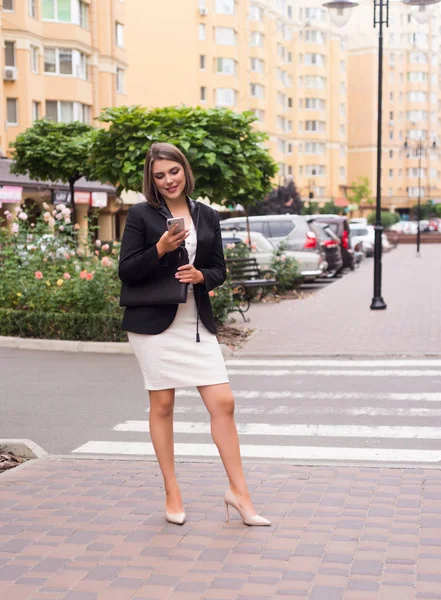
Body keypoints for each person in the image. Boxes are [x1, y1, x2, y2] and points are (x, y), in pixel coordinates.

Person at [118, 142, 270, 527]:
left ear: (184, 170)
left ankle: (239, 493)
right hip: (154, 326)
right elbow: (127, 271)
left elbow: (218, 267)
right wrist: (160, 248)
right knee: (163, 406)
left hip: (195, 323)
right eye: (159, 176)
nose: (168, 180)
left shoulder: (207, 215)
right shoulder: (140, 215)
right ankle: (172, 490)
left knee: (224, 402)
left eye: (173, 171)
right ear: (151, 181)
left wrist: (203, 276)